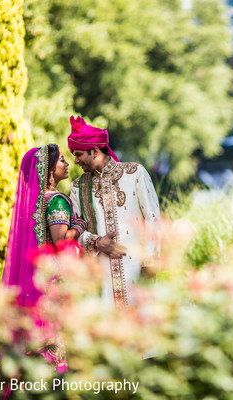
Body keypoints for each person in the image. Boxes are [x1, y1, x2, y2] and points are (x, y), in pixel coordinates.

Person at [1, 144, 86, 373]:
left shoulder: (31, 204)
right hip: (52, 281)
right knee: (54, 336)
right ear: (48, 171)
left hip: (35, 277)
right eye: (61, 160)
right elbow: (61, 241)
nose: (67, 164)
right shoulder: (57, 200)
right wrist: (79, 226)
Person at [67, 115, 160, 307]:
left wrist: (150, 265)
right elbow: (74, 228)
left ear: (94, 151)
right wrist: (96, 242)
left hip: (135, 270)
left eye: (78, 154)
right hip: (100, 276)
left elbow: (153, 218)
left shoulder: (135, 173)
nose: (75, 161)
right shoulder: (78, 186)